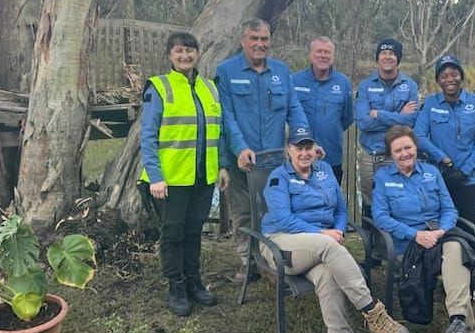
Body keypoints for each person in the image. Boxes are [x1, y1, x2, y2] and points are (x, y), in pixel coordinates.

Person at [261, 126, 411, 333]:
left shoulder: (325, 171)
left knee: (327, 277)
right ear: (289, 151)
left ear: (315, 150)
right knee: (327, 246)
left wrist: (339, 229)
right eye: (299, 148)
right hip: (281, 243)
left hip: (319, 246)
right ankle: (373, 313)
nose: (305, 153)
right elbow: (282, 219)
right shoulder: (278, 178)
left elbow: (340, 208)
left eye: (309, 147)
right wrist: (324, 233)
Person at [371, 125, 475, 333]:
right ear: (391, 154)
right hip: (409, 244)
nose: (404, 153)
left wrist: (441, 230)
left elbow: (449, 208)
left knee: (456, 248)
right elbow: (380, 216)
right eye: (398, 150)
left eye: (408, 147)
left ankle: (458, 325)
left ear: (416, 148)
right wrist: (415, 235)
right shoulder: (383, 178)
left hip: (439, 237)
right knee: (459, 254)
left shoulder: (432, 173)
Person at [139, 32, 230, 316]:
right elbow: (148, 135)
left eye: (190, 50)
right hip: (170, 180)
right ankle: (176, 285)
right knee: (173, 233)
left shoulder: (209, 88)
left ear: (198, 54)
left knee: (193, 231)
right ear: (170, 55)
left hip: (202, 177)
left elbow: (219, 132)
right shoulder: (159, 87)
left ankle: (194, 281)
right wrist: (155, 175)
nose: (185, 56)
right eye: (179, 51)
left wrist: (223, 166)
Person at [215, 18, 309, 282]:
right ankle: (248, 264)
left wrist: (302, 140)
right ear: (243, 41)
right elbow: (227, 118)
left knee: (275, 212)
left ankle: (271, 261)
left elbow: (295, 109)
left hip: (275, 162)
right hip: (241, 161)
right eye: (254, 39)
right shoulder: (226, 71)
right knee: (244, 213)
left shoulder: (281, 71)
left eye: (264, 39)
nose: (259, 44)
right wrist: (240, 148)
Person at [414, 54, 475, 224]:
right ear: (438, 80)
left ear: (461, 77)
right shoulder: (430, 104)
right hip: (440, 176)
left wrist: (465, 171)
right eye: (444, 76)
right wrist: (442, 158)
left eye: (454, 74)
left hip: (469, 178)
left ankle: (469, 251)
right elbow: (418, 136)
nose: (450, 79)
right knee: (441, 224)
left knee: (469, 225)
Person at [355, 38, 418, 218]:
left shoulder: (410, 85)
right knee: (369, 199)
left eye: (392, 53)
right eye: (383, 53)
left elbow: (411, 121)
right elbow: (363, 122)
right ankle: (370, 240)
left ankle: (394, 241)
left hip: (397, 155)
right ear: (378, 58)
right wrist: (399, 116)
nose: (387, 57)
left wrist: (379, 114)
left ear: (398, 58)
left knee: (397, 199)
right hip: (370, 156)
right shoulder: (365, 86)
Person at [293, 37, 354, 184]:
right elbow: (290, 115)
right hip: (300, 157)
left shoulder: (343, 82)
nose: (323, 55)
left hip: (331, 158)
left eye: (327, 52)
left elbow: (347, 118)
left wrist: (330, 128)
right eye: (319, 51)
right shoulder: (295, 80)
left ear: (332, 56)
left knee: (330, 202)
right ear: (310, 55)